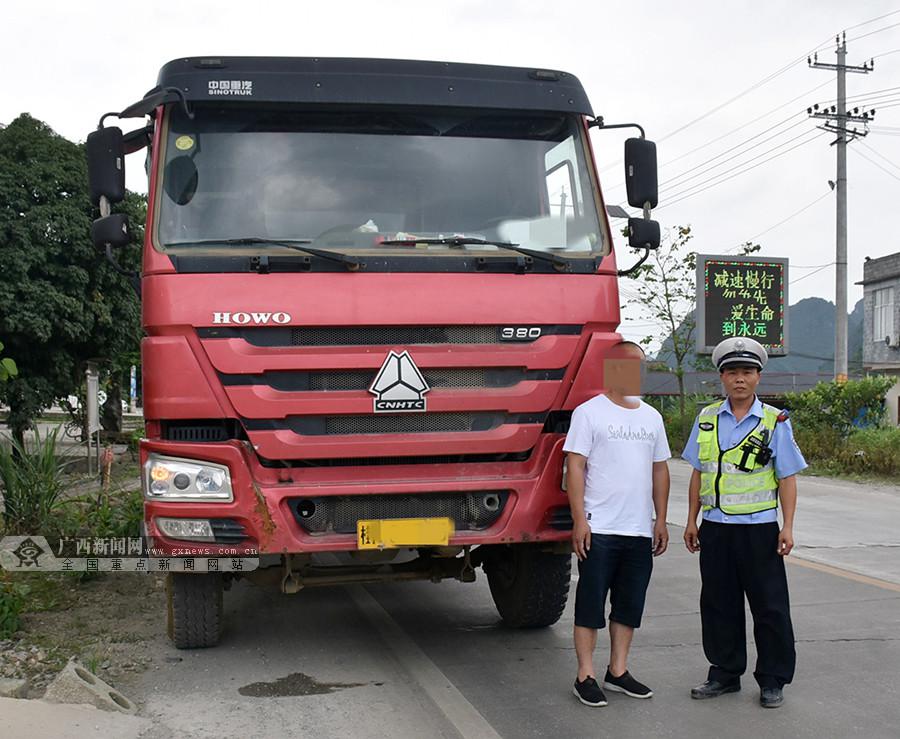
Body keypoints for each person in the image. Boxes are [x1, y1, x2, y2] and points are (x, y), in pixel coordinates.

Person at [682, 337, 807, 709]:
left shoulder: (775, 421)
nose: (740, 379)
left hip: (759, 530)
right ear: (721, 377)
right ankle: (724, 672)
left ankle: (773, 679)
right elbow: (697, 472)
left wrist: (787, 526)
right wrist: (691, 520)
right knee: (718, 603)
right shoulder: (706, 418)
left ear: (758, 377)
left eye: (747, 372)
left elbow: (787, 477)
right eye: (732, 372)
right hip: (716, 528)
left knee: (769, 606)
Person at [564, 341, 671, 707]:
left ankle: (618, 671)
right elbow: (574, 466)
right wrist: (580, 519)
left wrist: (660, 519)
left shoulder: (651, 417)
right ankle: (585, 675)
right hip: (600, 527)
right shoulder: (589, 413)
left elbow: (660, 469)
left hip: (639, 529)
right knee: (591, 605)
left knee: (629, 605)